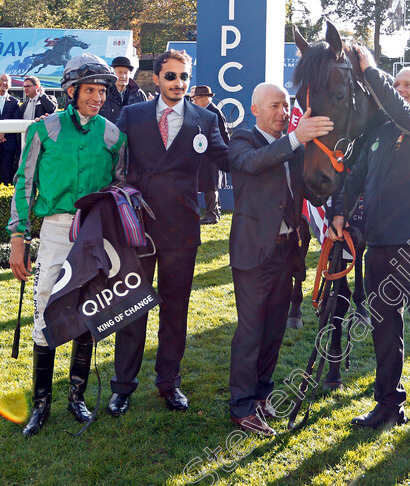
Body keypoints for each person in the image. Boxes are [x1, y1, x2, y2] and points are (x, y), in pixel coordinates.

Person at [331, 48, 410, 450]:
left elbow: (401, 111)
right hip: (379, 247)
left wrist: (372, 71)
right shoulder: (378, 134)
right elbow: (354, 179)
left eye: (407, 84)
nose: (398, 88)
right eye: (396, 82)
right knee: (384, 329)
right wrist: (341, 213)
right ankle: (388, 403)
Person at [8, 53, 126, 437]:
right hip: (57, 228)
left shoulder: (113, 135)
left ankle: (76, 396)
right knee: (46, 300)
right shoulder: (43, 130)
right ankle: (41, 403)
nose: (98, 97)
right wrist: (18, 239)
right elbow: (24, 186)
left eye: (103, 90)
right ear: (71, 90)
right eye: (90, 90)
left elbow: (120, 186)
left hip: (95, 230)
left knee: (88, 304)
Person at [106, 50, 229, 416]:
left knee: (175, 309)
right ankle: (123, 386)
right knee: (132, 307)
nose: (178, 83)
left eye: (184, 77)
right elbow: (114, 162)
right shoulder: (133, 114)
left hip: (181, 228)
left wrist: (270, 147)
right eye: (171, 76)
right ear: (156, 78)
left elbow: (228, 158)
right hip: (139, 227)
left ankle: (169, 382)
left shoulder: (205, 119)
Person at [227, 83, 332, 435]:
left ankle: (261, 395)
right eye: (274, 106)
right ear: (255, 109)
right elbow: (254, 164)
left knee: (274, 328)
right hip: (254, 252)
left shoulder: (295, 148)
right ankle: (241, 407)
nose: (282, 112)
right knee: (251, 329)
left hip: (288, 251)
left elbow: (312, 188)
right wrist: (294, 140)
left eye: (285, 106)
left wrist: (337, 212)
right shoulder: (242, 140)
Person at [190, 85, 230, 224]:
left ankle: (212, 215)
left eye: (195, 99)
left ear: (205, 98)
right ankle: (212, 213)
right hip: (204, 155)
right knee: (208, 185)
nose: (193, 102)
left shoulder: (214, 113)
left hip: (213, 156)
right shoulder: (202, 112)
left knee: (210, 186)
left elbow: (223, 135)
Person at [99, 56, 147, 124]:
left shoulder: (138, 94)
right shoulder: (104, 93)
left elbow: (145, 119)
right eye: (120, 72)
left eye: (126, 73)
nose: (123, 76)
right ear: (113, 73)